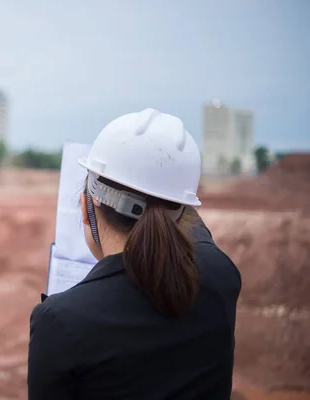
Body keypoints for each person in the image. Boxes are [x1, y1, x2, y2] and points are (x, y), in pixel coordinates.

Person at [28, 109, 241, 399]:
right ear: (181, 209)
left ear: (85, 208)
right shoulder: (220, 275)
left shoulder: (60, 321)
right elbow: (189, 226)